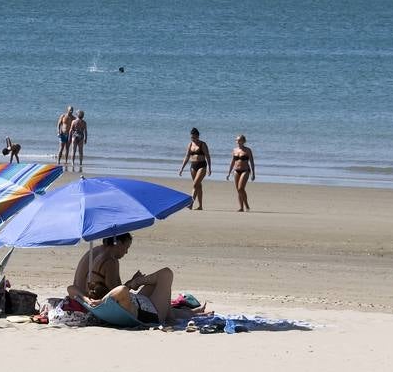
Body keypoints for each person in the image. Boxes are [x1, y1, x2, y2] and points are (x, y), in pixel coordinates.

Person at [66, 233, 201, 326]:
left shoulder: (97, 258)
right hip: (148, 314)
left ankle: (187, 314)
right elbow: (120, 290)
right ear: (117, 243)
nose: (126, 252)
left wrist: (85, 298)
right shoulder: (111, 262)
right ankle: (181, 315)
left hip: (135, 304)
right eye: (126, 247)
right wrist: (134, 283)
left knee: (157, 284)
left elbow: (70, 288)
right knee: (166, 274)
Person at [177, 127, 210, 210]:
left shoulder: (203, 144)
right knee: (198, 185)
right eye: (191, 137)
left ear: (198, 136)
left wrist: (209, 168)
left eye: (194, 137)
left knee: (195, 184)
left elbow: (208, 156)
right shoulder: (190, 144)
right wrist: (182, 168)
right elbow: (187, 156)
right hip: (193, 166)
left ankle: (190, 204)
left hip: (202, 166)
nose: (193, 139)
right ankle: (200, 206)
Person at [227, 134, 255, 212]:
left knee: (241, 188)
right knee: (238, 190)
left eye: (240, 140)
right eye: (237, 140)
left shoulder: (248, 150)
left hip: (245, 170)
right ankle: (241, 207)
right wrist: (229, 173)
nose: (238, 142)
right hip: (236, 170)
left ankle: (247, 206)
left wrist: (253, 173)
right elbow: (232, 161)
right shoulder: (235, 150)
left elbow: (252, 162)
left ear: (244, 141)